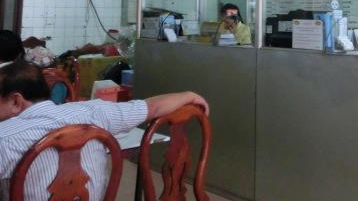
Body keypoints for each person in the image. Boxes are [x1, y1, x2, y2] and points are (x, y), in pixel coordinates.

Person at [0, 60, 209, 200]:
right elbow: (151, 108)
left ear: (16, 101)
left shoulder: (6, 137)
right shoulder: (95, 111)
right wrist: (188, 95)